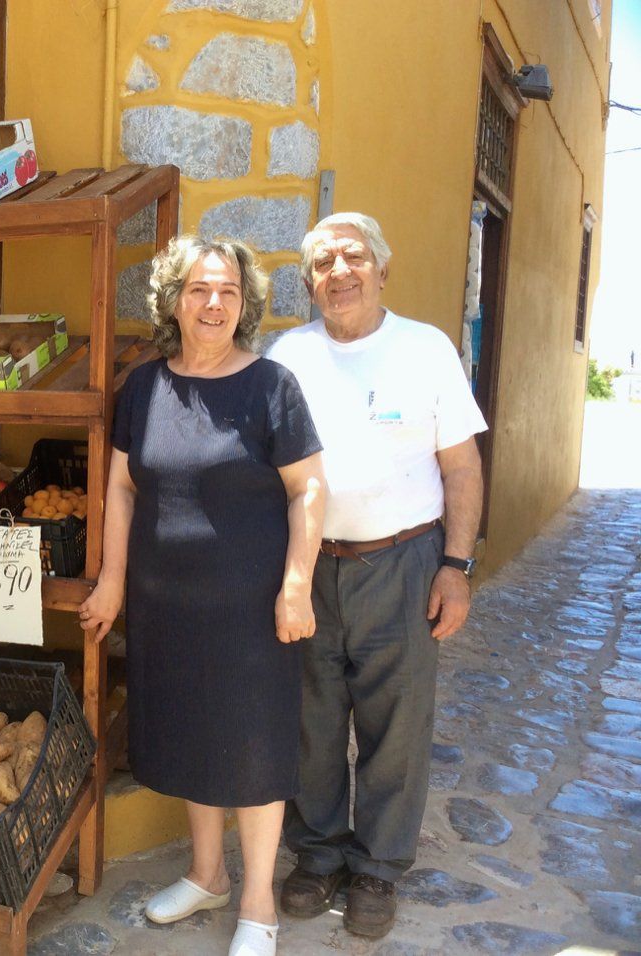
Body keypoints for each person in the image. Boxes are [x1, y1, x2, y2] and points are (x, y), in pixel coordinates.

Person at [80, 236, 326, 956]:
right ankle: (208, 874)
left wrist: (297, 584)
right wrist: (113, 581)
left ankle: (258, 906)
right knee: (193, 733)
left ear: (244, 304)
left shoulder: (271, 387)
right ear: (173, 301)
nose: (213, 302)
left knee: (252, 743)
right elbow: (122, 490)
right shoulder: (145, 388)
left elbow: (309, 487)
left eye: (227, 291)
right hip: (168, 607)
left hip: (252, 607)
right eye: (198, 289)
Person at [266, 212, 487, 939]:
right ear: (309, 283)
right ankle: (319, 855)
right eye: (323, 263)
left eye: (353, 257)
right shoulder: (287, 355)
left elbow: (461, 467)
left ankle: (378, 869)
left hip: (403, 562)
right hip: (311, 564)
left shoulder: (425, 349)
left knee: (397, 726)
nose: (339, 272)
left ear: (381, 269)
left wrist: (456, 567)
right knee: (313, 719)